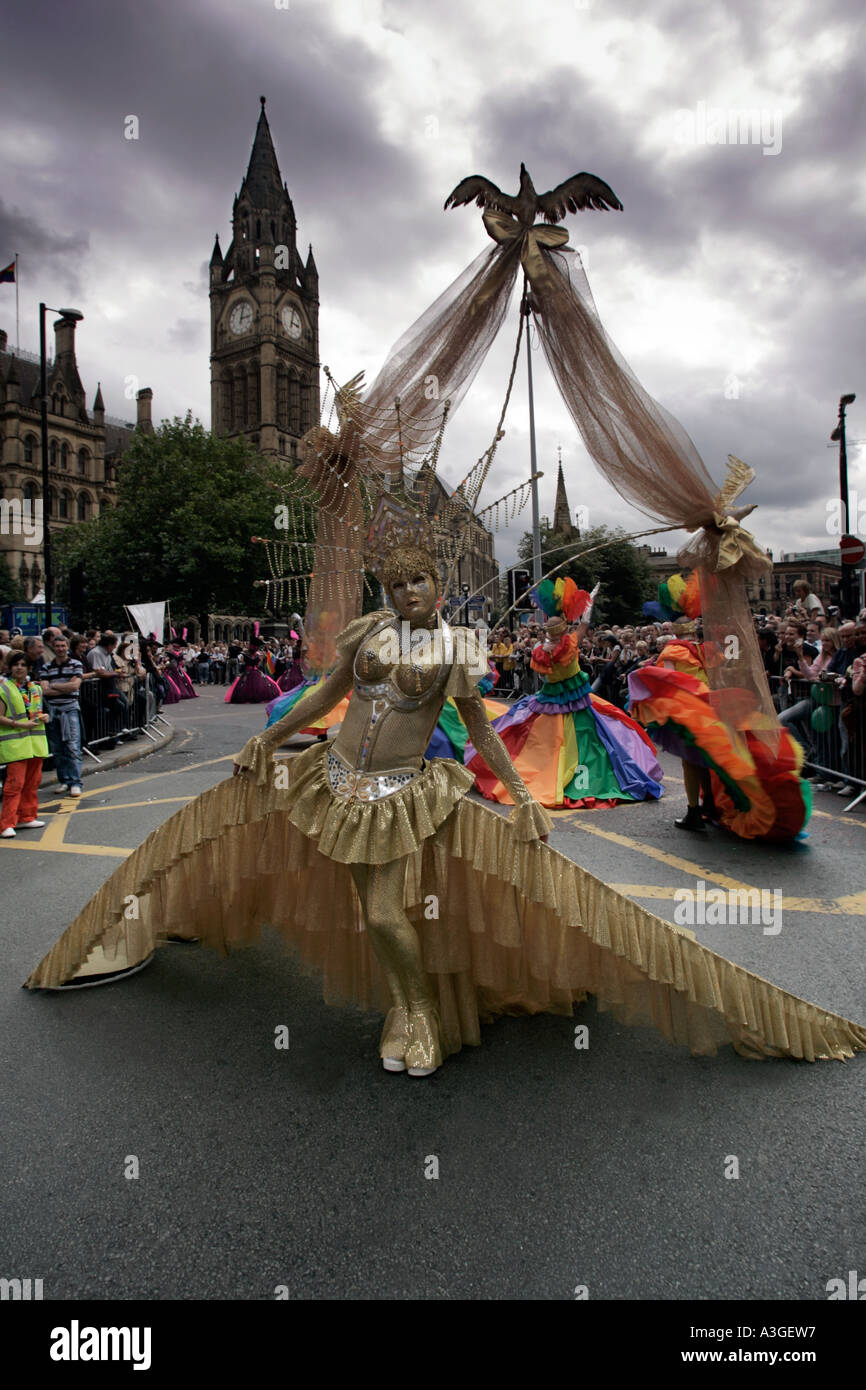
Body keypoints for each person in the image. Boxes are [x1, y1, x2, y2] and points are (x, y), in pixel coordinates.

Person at [25, 531, 866, 1068]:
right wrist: (270, 737)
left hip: (403, 791)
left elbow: (476, 728)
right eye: (395, 583)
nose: (407, 594)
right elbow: (323, 697)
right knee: (232, 840)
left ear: (437, 585)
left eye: (418, 582)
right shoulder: (369, 635)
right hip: (333, 777)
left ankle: (416, 1010)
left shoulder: (460, 645)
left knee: (388, 915)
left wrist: (522, 799)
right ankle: (154, 922)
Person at [468, 581, 663, 809]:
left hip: (553, 698)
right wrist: (589, 601)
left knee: (538, 733)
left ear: (547, 631)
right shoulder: (570, 643)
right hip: (574, 697)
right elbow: (584, 624)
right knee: (593, 736)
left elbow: (541, 672)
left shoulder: (541, 651)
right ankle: (573, 773)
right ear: (563, 629)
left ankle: (538, 768)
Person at [0, 649, 51, 837]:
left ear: (29, 668)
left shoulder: (34, 689)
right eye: (15, 664)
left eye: (23, 665)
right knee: (14, 785)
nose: (19, 668)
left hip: (35, 743)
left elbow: (36, 712)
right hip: (15, 745)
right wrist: (19, 724)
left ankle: (26, 817)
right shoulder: (4, 689)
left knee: (32, 783)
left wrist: (43, 716)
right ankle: (6, 823)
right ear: (9, 667)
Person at [39, 632, 85, 795]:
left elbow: (74, 687)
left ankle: (75, 782)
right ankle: (64, 780)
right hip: (53, 711)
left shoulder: (76, 664)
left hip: (70, 709)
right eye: (57, 646)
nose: (60, 649)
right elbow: (44, 690)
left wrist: (54, 685)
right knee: (57, 748)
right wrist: (64, 685)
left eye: (63, 646)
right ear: (53, 647)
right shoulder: (46, 667)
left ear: (67, 647)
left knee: (72, 746)